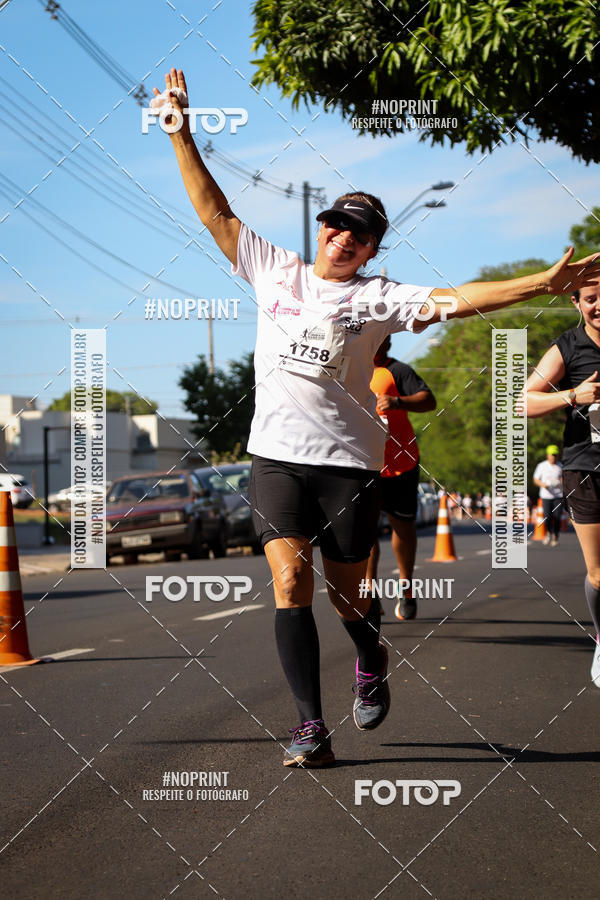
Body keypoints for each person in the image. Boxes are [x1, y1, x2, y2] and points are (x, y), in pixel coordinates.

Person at [155, 69, 600, 765]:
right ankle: (310, 727)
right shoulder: (276, 271)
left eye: (360, 235)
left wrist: (541, 284)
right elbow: (215, 213)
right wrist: (181, 133)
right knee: (289, 582)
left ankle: (370, 650)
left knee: (348, 598)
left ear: (370, 249)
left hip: (347, 467)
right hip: (274, 460)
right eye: (337, 225)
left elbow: (461, 298)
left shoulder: (381, 297)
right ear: (323, 228)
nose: (344, 238)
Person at [526, 275, 600, 688]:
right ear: (577, 302)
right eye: (591, 299)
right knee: (599, 574)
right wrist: (573, 395)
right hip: (586, 468)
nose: (599, 305)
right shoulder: (568, 347)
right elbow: (525, 401)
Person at [366, 337, 436, 620]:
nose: (382, 342)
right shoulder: (349, 368)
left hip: (400, 463)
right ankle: (369, 593)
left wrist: (397, 401)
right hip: (363, 464)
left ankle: (406, 587)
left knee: (403, 529)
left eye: (385, 337)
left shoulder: (398, 371)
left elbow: (428, 400)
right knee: (365, 531)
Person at [533, 444, 563, 546]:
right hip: (546, 496)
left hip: (558, 496)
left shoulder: (560, 467)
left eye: (555, 455)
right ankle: (548, 533)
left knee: (557, 516)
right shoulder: (541, 466)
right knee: (548, 517)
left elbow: (566, 480)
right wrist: (543, 485)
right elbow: (536, 480)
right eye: (551, 455)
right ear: (547, 455)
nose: (553, 457)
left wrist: (560, 482)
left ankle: (556, 535)